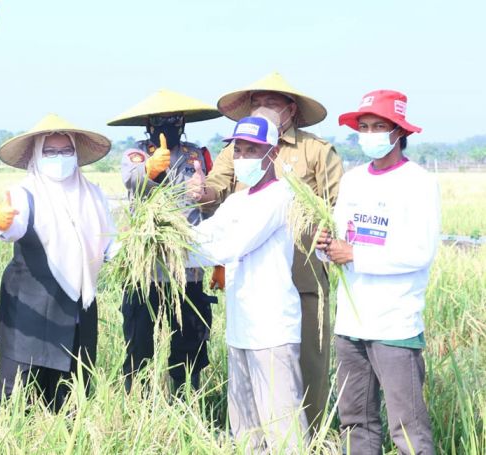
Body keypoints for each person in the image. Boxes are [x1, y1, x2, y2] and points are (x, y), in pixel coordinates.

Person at [189, 72, 343, 428]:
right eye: (257, 102)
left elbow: (338, 209)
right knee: (256, 387)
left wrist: (326, 236)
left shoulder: (315, 151)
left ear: (290, 110)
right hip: (250, 281)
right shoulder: (239, 159)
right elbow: (218, 192)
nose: (263, 108)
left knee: (306, 366)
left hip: (302, 274)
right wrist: (201, 194)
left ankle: (314, 435)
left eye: (271, 103)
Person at [316, 90, 439, 454]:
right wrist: (327, 248)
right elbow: (340, 241)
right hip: (350, 325)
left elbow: (419, 252)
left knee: (409, 428)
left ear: (399, 132)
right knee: (355, 422)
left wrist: (354, 253)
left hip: (394, 325)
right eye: (364, 127)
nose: (370, 134)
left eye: (379, 127)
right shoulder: (354, 181)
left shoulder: (418, 182)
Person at [188, 115, 308, 450]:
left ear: (272, 154)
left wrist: (178, 250)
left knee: (284, 432)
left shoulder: (282, 196)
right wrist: (162, 240)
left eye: (252, 150)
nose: (243, 157)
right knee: (245, 432)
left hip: (272, 332)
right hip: (241, 329)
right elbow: (206, 233)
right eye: (238, 150)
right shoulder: (237, 201)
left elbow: (232, 245)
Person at [0, 114, 117, 412]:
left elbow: (109, 243)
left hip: (77, 311)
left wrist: (143, 245)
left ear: (75, 154)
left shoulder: (94, 195)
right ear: (37, 154)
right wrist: (1, 222)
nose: (58, 158)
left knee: (70, 396)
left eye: (65, 151)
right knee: (16, 397)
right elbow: (12, 228)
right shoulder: (24, 194)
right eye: (50, 151)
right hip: (29, 312)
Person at [107, 89, 221, 392]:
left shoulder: (196, 155)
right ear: (148, 123)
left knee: (191, 342)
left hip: (190, 268)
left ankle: (187, 400)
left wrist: (205, 192)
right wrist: (150, 169)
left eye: (173, 119)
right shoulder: (137, 153)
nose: (166, 125)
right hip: (147, 268)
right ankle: (137, 405)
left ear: (182, 122)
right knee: (140, 343)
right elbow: (133, 182)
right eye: (160, 120)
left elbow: (210, 205)